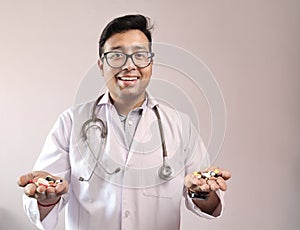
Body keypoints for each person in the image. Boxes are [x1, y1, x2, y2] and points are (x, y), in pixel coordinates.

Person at [17, 14, 231, 230]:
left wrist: (202, 192)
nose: (129, 66)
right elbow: (44, 199)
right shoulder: (71, 122)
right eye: (117, 56)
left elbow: (209, 203)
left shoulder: (180, 126)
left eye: (140, 55)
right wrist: (46, 197)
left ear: (151, 63)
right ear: (101, 65)